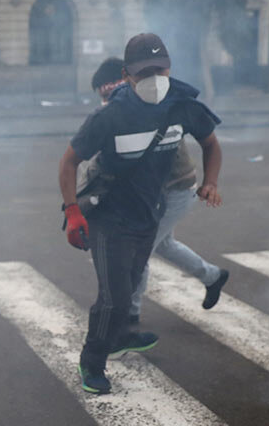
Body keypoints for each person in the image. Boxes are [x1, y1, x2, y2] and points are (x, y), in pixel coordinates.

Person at [58, 34, 224, 395]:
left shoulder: (182, 106)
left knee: (128, 288)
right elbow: (70, 161)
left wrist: (210, 181)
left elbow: (210, 143)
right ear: (127, 75)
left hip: (149, 215)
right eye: (143, 71)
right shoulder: (110, 116)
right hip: (109, 218)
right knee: (114, 297)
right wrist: (73, 211)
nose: (153, 77)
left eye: (159, 69)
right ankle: (93, 362)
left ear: (169, 68)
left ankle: (116, 335)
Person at [88, 60, 229, 325]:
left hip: (175, 190)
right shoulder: (121, 110)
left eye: (108, 94)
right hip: (153, 193)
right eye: (103, 97)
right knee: (164, 244)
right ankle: (213, 276)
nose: (107, 102)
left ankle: (130, 316)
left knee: (137, 252)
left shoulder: (145, 109)